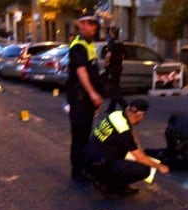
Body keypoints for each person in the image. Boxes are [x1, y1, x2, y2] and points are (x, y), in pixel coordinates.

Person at [85, 99, 170, 196]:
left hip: (90, 157)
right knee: (144, 170)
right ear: (141, 115)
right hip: (100, 164)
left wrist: (139, 148)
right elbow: (140, 158)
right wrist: (160, 167)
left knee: (126, 153)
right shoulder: (124, 131)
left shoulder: (116, 114)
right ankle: (111, 186)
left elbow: (132, 133)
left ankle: (102, 178)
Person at [66, 12, 103, 182]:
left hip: (86, 99)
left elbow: (92, 70)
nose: (94, 27)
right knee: (80, 135)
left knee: (85, 134)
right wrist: (93, 93)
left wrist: (96, 96)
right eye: (90, 23)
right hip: (80, 98)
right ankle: (77, 171)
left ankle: (83, 167)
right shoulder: (78, 45)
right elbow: (81, 71)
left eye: (95, 24)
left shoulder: (90, 44)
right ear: (82, 25)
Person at [102, 26, 128, 114]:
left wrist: (106, 63)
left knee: (111, 89)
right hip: (118, 67)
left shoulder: (112, 42)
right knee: (115, 87)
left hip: (112, 68)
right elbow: (123, 55)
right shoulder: (121, 42)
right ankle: (111, 107)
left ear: (112, 33)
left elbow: (108, 54)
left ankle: (125, 106)